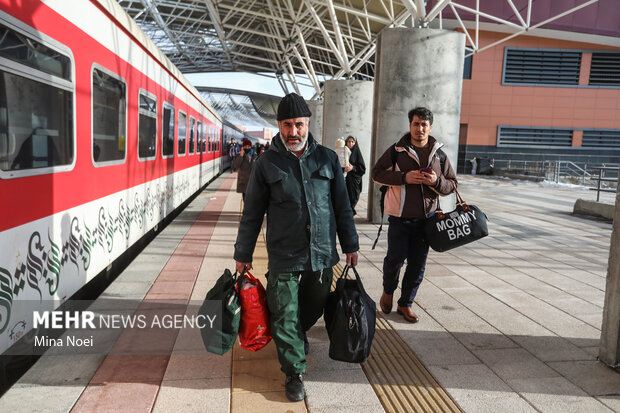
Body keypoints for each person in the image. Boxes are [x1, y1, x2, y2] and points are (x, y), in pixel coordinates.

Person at [234, 93, 359, 402]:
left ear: (308, 124)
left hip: (320, 251)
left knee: (314, 304)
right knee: (284, 310)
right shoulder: (266, 163)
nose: (293, 132)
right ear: (279, 126)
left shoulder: (327, 158)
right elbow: (252, 212)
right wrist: (243, 253)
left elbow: (342, 207)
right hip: (283, 252)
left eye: (298, 125)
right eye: (287, 125)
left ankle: (293, 332)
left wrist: (351, 244)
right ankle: (294, 371)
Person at [371, 107, 457, 323]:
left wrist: (436, 181)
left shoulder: (439, 154)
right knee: (394, 260)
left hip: (427, 221)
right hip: (399, 218)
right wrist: (404, 177)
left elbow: (452, 184)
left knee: (418, 265)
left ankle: (405, 303)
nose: (420, 128)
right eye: (416, 124)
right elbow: (376, 174)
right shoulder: (396, 151)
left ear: (430, 127)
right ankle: (388, 291)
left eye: (424, 125)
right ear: (410, 125)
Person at [343, 135, 366, 215]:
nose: (350, 143)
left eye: (352, 142)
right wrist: (344, 169)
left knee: (353, 198)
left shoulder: (357, 154)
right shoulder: (343, 153)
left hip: (354, 181)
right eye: (348, 142)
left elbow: (362, 169)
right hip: (345, 180)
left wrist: (353, 168)